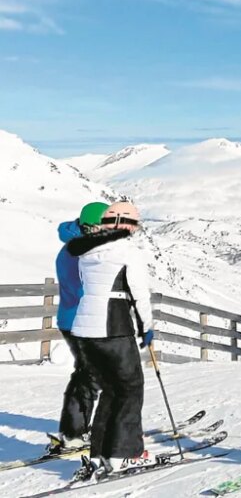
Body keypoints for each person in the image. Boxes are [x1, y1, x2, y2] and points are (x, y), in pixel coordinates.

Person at [67, 201, 155, 476]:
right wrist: (147, 327)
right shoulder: (128, 252)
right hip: (113, 326)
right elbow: (139, 293)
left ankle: (100, 454)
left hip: (85, 330)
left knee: (111, 390)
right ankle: (125, 454)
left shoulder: (86, 253)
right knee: (130, 388)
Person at [50, 202, 109, 453]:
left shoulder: (83, 246)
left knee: (89, 373)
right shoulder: (77, 253)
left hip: (78, 320)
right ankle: (74, 434)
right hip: (80, 321)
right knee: (90, 375)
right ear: (91, 225)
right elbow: (83, 290)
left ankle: (75, 431)